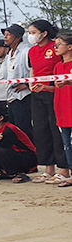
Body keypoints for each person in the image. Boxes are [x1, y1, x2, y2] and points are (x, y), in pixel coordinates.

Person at [27, 20, 70, 184]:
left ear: (44, 33)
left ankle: (63, 169)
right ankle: (48, 168)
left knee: (56, 129)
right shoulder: (32, 51)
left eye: (33, 32)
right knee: (40, 129)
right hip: (37, 92)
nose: (30, 36)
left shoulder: (55, 46)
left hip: (54, 91)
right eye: (29, 32)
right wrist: (32, 82)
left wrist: (48, 86)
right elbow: (32, 69)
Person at [0, 105, 38, 183]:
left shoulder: (9, 129)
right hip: (13, 153)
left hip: (27, 156)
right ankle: (5, 171)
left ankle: (20, 172)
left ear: (1, 118)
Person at [2, 23, 33, 137]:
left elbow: (35, 71)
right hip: (11, 96)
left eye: (8, 35)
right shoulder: (9, 53)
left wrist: (27, 84)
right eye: (4, 34)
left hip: (24, 96)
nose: (5, 37)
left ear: (17, 37)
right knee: (14, 129)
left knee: (24, 128)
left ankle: (31, 153)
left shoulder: (27, 51)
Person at [53, 32, 72, 187]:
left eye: (59, 45)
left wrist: (68, 83)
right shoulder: (58, 66)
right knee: (66, 145)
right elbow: (57, 88)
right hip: (62, 109)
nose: (56, 48)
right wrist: (45, 87)